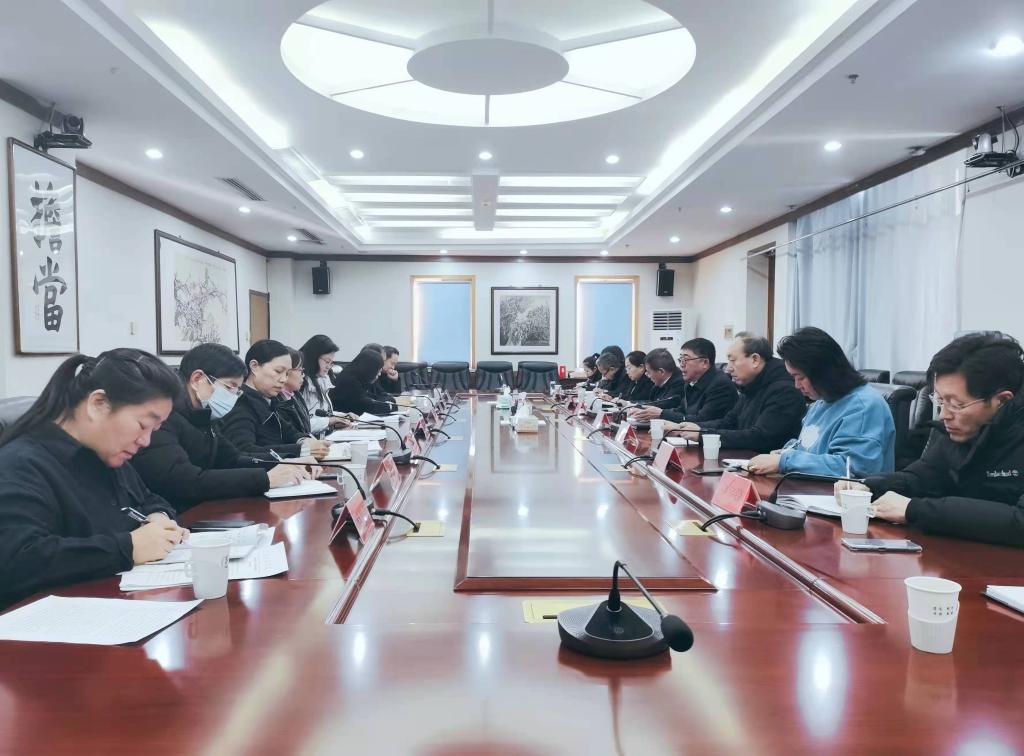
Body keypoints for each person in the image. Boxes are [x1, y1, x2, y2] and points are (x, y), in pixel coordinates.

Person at [0, 349, 189, 604]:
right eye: (143, 425)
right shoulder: (21, 465)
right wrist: (129, 547)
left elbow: (147, 498)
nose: (146, 441)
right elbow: (18, 561)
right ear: (98, 403)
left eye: (154, 430)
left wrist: (158, 517)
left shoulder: (106, 454)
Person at [838, 332, 1024, 547]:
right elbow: (923, 477)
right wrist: (869, 487)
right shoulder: (960, 430)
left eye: (956, 404)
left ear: (1001, 401)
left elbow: (1019, 522)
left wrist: (915, 510)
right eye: (940, 400)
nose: (944, 414)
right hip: (959, 554)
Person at [131, 344, 317, 511]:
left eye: (237, 390)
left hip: (206, 508)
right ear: (197, 379)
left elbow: (233, 458)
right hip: (180, 517)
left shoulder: (205, 415)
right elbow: (186, 481)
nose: (233, 396)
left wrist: (287, 463)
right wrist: (265, 479)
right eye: (229, 387)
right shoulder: (165, 419)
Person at [747, 327, 895, 477]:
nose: (797, 385)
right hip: (808, 487)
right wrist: (784, 453)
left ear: (822, 372)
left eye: (800, 377)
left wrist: (785, 461)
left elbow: (852, 468)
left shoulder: (863, 407)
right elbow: (807, 448)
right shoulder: (822, 401)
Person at [663, 333, 806, 452]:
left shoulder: (784, 390)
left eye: (732, 360)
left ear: (755, 360)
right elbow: (729, 422)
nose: (728, 368)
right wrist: (696, 429)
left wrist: (702, 435)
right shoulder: (751, 384)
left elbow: (760, 437)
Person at [219, 340, 331, 459]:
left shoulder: (269, 399)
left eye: (287, 374)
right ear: (254, 366)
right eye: (278, 371)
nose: (283, 379)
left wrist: (305, 441)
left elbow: (290, 432)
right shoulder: (241, 404)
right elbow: (243, 451)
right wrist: (302, 450)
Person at [636, 338, 737, 423]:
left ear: (705, 363)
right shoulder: (691, 382)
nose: (681, 365)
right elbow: (682, 410)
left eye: (686, 360)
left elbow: (702, 420)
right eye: (680, 360)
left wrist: (662, 414)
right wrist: (656, 413)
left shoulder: (720, 385)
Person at [299, 335, 354, 436]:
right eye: (327, 361)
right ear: (313, 357)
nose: (329, 366)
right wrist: (329, 421)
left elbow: (321, 413)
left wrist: (342, 416)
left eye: (331, 363)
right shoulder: (301, 383)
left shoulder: (322, 380)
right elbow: (301, 425)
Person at [331, 348, 397, 415]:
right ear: (370, 369)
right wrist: (390, 406)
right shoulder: (350, 382)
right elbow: (368, 407)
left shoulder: (358, 378)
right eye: (378, 370)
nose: (379, 374)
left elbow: (373, 397)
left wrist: (389, 402)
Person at [628, 348, 685, 414]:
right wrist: (630, 404)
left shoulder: (679, 383)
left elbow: (663, 405)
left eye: (648, 372)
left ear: (661, 372)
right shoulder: (658, 384)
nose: (646, 374)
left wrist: (632, 405)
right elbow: (651, 402)